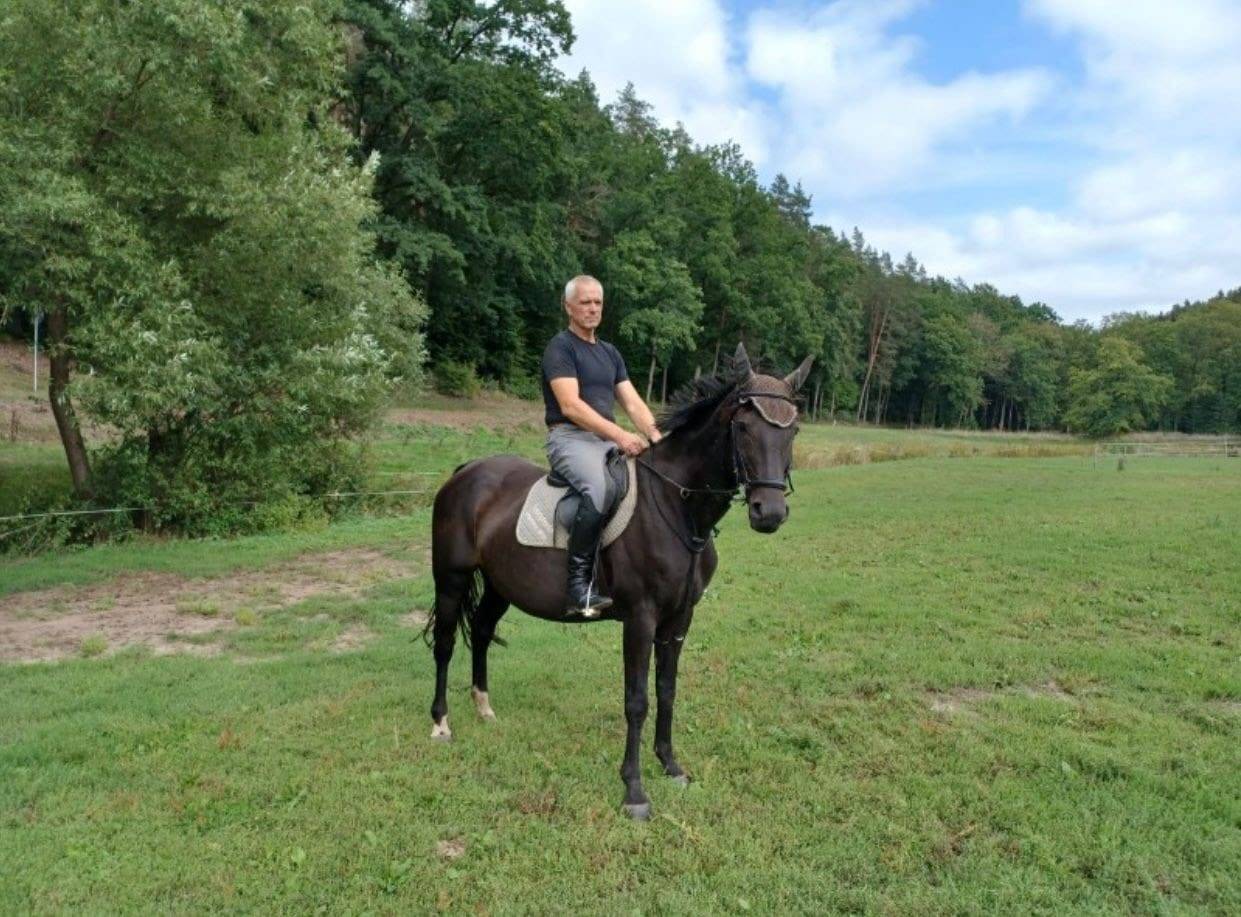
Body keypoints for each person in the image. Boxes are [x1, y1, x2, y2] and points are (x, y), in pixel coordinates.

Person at [542, 274, 661, 617]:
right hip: (569, 438)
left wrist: (657, 438)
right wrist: (621, 436)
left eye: (598, 303)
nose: (592, 309)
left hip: (602, 440)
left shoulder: (610, 352)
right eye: (585, 302)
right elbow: (571, 406)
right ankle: (578, 587)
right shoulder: (561, 348)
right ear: (568, 307)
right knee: (597, 488)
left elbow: (634, 404)